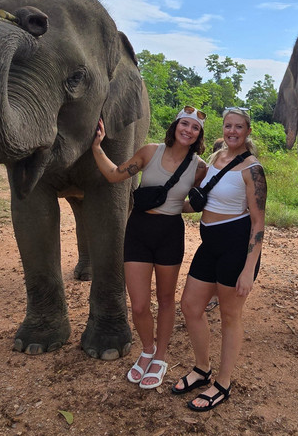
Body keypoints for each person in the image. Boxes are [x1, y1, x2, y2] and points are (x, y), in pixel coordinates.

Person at [92, 107, 209, 389]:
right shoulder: (149, 152)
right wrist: (96, 146)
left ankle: (160, 356)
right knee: (140, 303)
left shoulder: (199, 167)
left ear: (199, 135)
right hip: (139, 231)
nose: (188, 131)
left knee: (167, 300)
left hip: (170, 233)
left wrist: (172, 207)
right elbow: (113, 175)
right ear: (175, 125)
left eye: (194, 128)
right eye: (184, 124)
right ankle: (146, 349)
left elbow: (196, 203)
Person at [173, 107, 267, 411]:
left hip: (236, 248)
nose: (232, 132)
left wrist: (248, 269)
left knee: (230, 316)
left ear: (248, 131)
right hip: (209, 244)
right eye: (228, 126)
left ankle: (223, 383)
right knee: (190, 306)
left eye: (239, 127)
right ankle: (202, 368)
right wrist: (164, 205)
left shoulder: (252, 169)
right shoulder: (214, 160)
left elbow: (258, 224)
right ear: (222, 129)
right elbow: (199, 203)